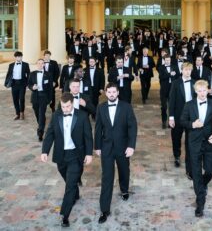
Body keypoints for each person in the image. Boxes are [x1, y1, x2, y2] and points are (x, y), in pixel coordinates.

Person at [41, 93, 93, 228]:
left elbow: (88, 136)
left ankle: (65, 215)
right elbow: (50, 134)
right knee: (69, 180)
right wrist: (45, 151)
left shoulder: (82, 116)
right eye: (63, 107)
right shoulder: (56, 115)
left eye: (68, 106)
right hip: (61, 155)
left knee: (69, 186)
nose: (65, 109)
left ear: (72, 104)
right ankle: (75, 192)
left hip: (76, 155)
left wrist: (89, 154)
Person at [94, 83, 138, 224]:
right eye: (109, 92)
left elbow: (132, 127)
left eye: (114, 92)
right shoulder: (101, 107)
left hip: (123, 147)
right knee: (107, 177)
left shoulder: (126, 107)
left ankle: (124, 190)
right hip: (106, 148)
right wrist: (97, 146)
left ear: (118, 92)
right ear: (106, 93)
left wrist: (131, 146)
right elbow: (98, 128)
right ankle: (104, 209)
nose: (112, 94)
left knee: (124, 171)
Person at [180, 80, 212, 217]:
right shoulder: (189, 105)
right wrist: (192, 124)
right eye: (199, 91)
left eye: (204, 90)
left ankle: (202, 184)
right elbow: (182, 121)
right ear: (196, 91)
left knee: (210, 169)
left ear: (207, 90)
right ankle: (200, 202)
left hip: (210, 142)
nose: (202, 93)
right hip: (194, 143)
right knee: (196, 172)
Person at [169, 62, 195, 179]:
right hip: (179, 115)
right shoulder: (175, 83)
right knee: (176, 137)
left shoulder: (195, 83)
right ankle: (177, 156)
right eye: (186, 70)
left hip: (191, 117)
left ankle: (189, 164)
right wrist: (171, 117)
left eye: (189, 70)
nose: (188, 72)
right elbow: (172, 100)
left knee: (190, 140)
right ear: (182, 70)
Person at [28, 59, 53, 141]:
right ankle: (41, 123)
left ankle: (40, 132)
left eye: (42, 63)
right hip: (35, 96)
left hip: (44, 96)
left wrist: (50, 99)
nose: (40, 65)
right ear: (36, 64)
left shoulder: (48, 74)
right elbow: (29, 84)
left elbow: (50, 88)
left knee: (41, 113)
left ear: (44, 65)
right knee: (37, 112)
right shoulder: (32, 74)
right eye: (38, 63)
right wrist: (32, 87)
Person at [4, 51, 30, 120]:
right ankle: (17, 114)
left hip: (22, 84)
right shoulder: (11, 65)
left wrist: (28, 83)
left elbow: (28, 74)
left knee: (21, 99)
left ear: (22, 57)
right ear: (15, 57)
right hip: (14, 84)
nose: (19, 58)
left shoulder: (25, 64)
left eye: (20, 57)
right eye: (18, 57)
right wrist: (6, 83)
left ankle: (22, 113)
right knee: (15, 99)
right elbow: (8, 74)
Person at [158, 54, 180, 128]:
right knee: (164, 107)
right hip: (164, 90)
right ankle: (164, 121)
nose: (168, 61)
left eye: (169, 60)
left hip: (172, 89)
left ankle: (171, 122)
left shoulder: (175, 67)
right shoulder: (161, 67)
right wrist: (169, 74)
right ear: (164, 60)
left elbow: (178, 77)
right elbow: (161, 77)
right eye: (166, 60)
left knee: (172, 107)